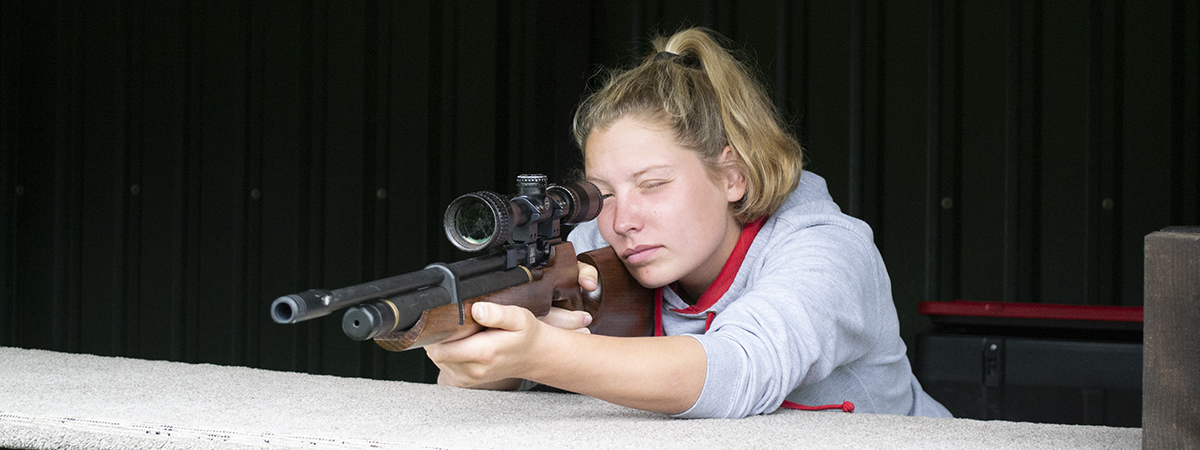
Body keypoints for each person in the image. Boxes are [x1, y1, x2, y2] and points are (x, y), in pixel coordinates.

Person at [424, 27, 952, 419]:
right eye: (601, 195)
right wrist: (479, 354)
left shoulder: (828, 250)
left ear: (732, 177)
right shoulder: (593, 248)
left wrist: (546, 353)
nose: (623, 220)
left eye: (653, 185)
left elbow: (739, 371)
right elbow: (465, 403)